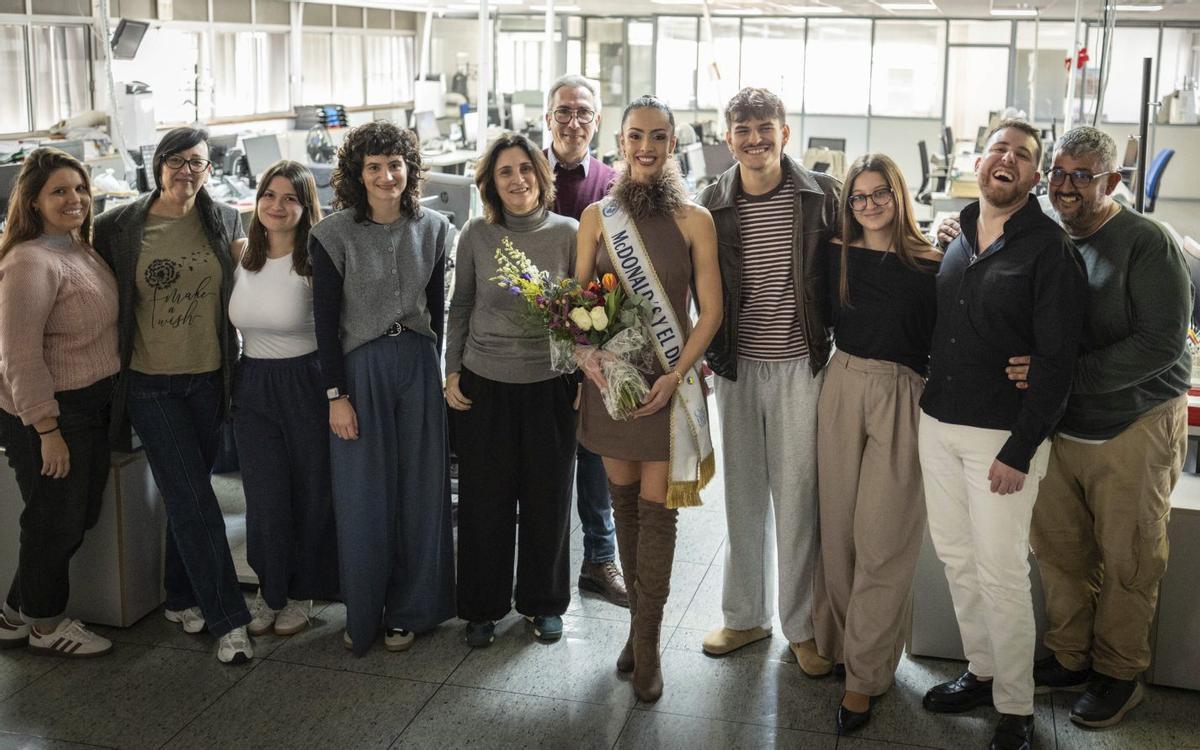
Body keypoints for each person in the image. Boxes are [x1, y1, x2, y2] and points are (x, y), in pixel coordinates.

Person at [942, 126, 1192, 729]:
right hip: (1060, 427)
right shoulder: (1045, 239)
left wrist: (1062, 375)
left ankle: (1118, 671)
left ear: (1111, 181)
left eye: (1083, 176)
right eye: (1058, 173)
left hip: (1131, 424)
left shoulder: (1145, 242)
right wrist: (960, 238)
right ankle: (1072, 657)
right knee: (1059, 552)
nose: (1066, 186)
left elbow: (1161, 343)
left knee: (1130, 556)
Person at [917, 120, 1087, 750]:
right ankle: (983, 671)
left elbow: (1059, 359)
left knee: (1001, 571)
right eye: (999, 149)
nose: (1007, 160)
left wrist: (1021, 449)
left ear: (1035, 175)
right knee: (957, 560)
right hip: (937, 423)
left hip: (1001, 439)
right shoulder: (960, 231)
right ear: (980, 159)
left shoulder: (1049, 248)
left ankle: (1015, 707)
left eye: (1022, 155)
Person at [575, 94, 723, 703]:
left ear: (672, 143)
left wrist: (674, 374)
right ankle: (638, 635)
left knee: (659, 516)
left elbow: (710, 312)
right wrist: (591, 362)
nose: (645, 148)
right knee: (625, 507)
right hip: (611, 387)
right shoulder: (595, 218)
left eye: (658, 137)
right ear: (620, 140)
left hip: (670, 384)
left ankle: (650, 645)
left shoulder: (696, 220)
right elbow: (573, 306)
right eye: (636, 136)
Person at [93, 127, 254, 665]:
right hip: (150, 383)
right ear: (158, 164)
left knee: (193, 492)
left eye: (199, 163)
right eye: (178, 161)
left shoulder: (225, 219)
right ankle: (230, 621)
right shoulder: (118, 225)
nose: (188, 171)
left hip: (210, 378)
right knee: (193, 498)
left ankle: (180, 596)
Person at [694, 86, 839, 676]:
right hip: (736, 368)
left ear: (785, 130)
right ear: (729, 139)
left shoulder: (822, 195)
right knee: (743, 500)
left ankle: (800, 627)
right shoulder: (711, 202)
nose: (755, 140)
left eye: (765, 127)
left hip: (801, 367)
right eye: (743, 130)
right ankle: (745, 615)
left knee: (797, 500)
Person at [309, 121, 455, 656]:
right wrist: (335, 394)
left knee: (421, 490)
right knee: (363, 495)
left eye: (395, 165)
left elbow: (437, 310)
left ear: (409, 170)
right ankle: (365, 610)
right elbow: (324, 323)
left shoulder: (436, 228)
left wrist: (436, 373)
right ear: (357, 174)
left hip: (417, 362)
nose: (386, 175)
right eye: (374, 167)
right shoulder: (332, 234)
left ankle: (411, 612)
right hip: (359, 370)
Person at [811, 154, 940, 735]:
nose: (868, 204)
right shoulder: (833, 254)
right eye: (858, 197)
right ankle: (840, 645)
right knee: (836, 533)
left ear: (899, 193)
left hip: (902, 393)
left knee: (884, 538)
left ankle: (865, 677)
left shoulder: (935, 262)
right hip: (842, 383)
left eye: (878, 193)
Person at [445, 133, 579, 647]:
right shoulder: (477, 234)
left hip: (550, 387)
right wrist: (452, 371)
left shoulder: (569, 233)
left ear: (541, 176)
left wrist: (582, 379)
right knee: (484, 502)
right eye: (505, 171)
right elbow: (461, 306)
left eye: (526, 168)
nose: (517, 179)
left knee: (548, 500)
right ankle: (481, 605)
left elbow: (583, 315)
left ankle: (543, 604)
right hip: (485, 385)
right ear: (491, 183)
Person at [0, 148, 117, 657]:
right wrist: (47, 429)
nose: (74, 199)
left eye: (79, 189)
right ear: (33, 201)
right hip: (53, 411)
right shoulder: (30, 261)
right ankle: (47, 626)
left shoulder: (76, 246)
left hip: (90, 406)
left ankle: (12, 615)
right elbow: (18, 354)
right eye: (59, 191)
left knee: (74, 515)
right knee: (56, 521)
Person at [229, 160, 338, 638]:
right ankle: (269, 592)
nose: (278, 205)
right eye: (269, 195)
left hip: (305, 382)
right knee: (265, 496)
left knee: (309, 494)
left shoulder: (317, 262)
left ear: (305, 206)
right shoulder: (240, 253)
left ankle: (301, 592)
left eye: (290, 197)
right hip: (252, 382)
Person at [543, 73, 626, 607]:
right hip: (534, 345)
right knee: (546, 460)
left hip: (596, 339)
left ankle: (599, 560)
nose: (574, 121)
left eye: (584, 113)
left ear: (597, 122)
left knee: (596, 456)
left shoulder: (614, 183)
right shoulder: (526, 175)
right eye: (564, 111)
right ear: (549, 118)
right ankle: (540, 572)